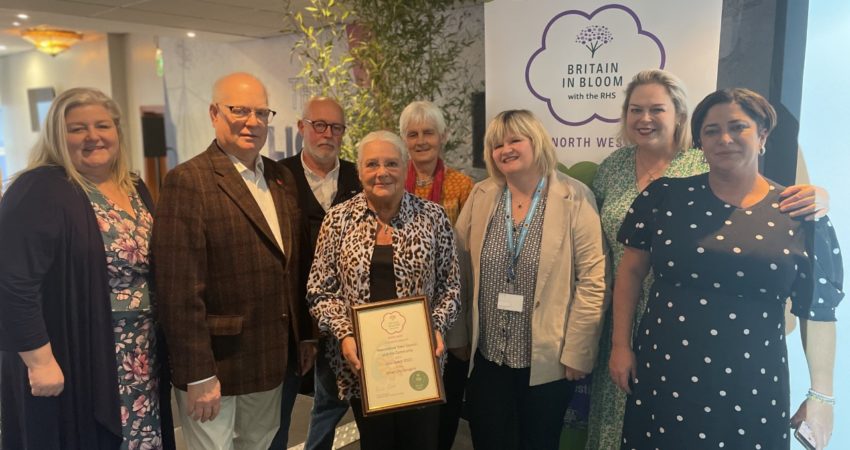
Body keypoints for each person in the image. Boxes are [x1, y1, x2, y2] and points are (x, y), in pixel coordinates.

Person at [586, 69, 831, 449]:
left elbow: (817, 309)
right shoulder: (665, 196)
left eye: (739, 127)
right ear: (699, 139)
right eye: (713, 130)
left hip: (752, 378)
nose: (725, 139)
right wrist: (621, 345)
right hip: (665, 367)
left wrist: (821, 395)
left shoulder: (797, 212)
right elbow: (631, 271)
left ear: (763, 135)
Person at [0, 87, 173, 449]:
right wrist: (39, 361)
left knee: (141, 439)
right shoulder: (40, 189)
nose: (93, 136)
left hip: (139, 355)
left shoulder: (134, 185)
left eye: (102, 125)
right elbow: (12, 283)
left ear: (117, 131)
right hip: (74, 354)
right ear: (57, 136)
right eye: (77, 128)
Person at [152, 72, 310, 449]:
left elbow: (293, 268)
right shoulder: (188, 180)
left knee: (260, 444)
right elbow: (178, 290)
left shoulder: (280, 177)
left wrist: (303, 337)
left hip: (270, 359)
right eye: (239, 110)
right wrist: (197, 373)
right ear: (214, 113)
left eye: (261, 112)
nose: (252, 121)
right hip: (216, 367)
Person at [454, 109, 607, 450]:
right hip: (489, 357)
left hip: (548, 361)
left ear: (536, 142)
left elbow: (593, 279)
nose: (505, 149)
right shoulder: (481, 197)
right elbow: (458, 269)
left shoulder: (575, 197)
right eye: (496, 144)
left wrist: (579, 351)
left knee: (539, 442)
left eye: (514, 140)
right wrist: (458, 335)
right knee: (489, 441)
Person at [307, 130, 460, 450]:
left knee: (421, 443)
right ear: (359, 170)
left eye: (391, 163)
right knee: (375, 444)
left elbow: (451, 286)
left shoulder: (433, 217)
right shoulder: (338, 219)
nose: (382, 172)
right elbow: (321, 289)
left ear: (405, 169)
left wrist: (436, 326)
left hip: (420, 362)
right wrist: (345, 334)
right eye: (372, 164)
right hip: (362, 364)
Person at [275, 96, 361, 450]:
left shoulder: (360, 177)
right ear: (302, 128)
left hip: (349, 316)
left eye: (336, 127)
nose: (327, 134)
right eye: (319, 125)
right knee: (280, 414)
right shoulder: (277, 177)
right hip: (290, 315)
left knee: (336, 402)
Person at [398, 100, 474, 450]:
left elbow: (468, 253)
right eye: (412, 134)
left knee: (446, 400)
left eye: (428, 132)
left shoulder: (463, 186)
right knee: (404, 402)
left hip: (448, 307)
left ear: (443, 136)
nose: (421, 140)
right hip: (400, 310)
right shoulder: (392, 180)